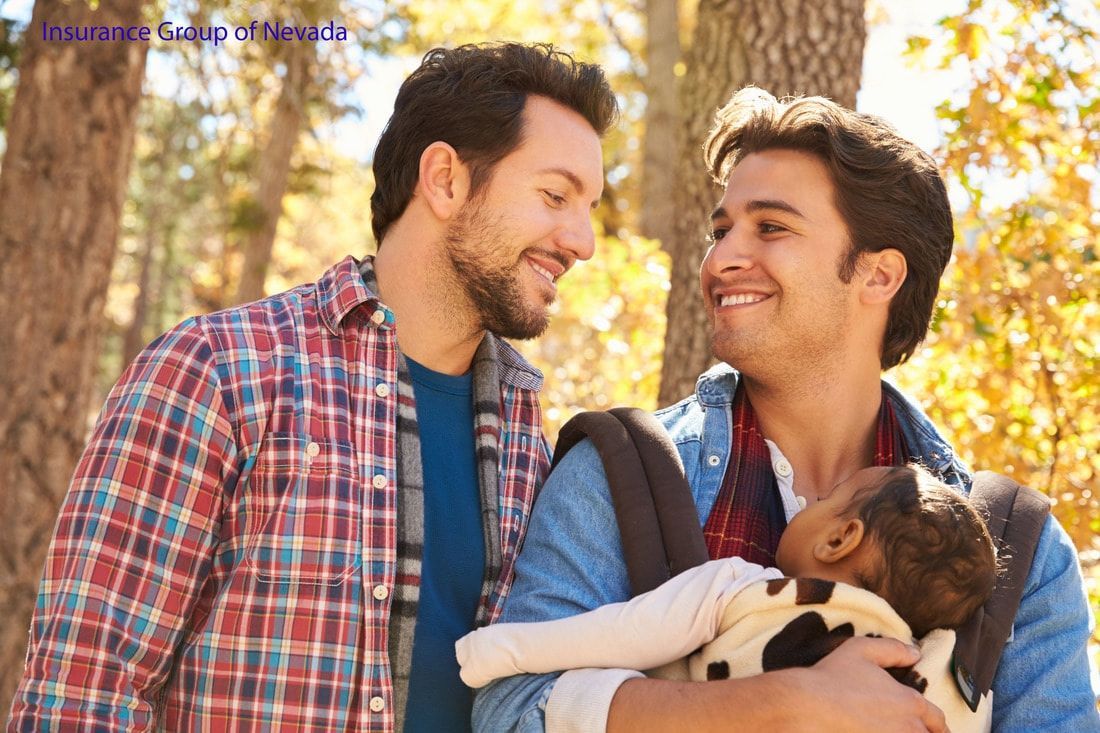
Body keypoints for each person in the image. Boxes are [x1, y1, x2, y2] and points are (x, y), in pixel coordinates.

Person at [8, 42, 617, 732]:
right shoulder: (219, 371)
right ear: (445, 179)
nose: (583, 240)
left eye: (589, 206)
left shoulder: (524, 435)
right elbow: (82, 694)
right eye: (555, 195)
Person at [474, 88, 1100, 732]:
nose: (720, 259)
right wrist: (778, 704)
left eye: (770, 227)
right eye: (722, 231)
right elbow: (510, 711)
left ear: (879, 276)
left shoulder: (1016, 544)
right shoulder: (623, 471)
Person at [456, 464, 996, 715]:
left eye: (828, 497)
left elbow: (625, 634)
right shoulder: (920, 665)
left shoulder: (744, 590)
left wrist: (496, 651)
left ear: (839, 539)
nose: (809, 501)